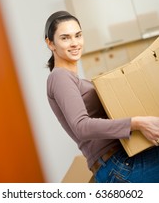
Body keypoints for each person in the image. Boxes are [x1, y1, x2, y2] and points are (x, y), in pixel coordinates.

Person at [44, 10, 159, 183]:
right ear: (50, 43)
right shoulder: (59, 77)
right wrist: (136, 123)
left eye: (78, 35)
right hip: (118, 166)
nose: (75, 43)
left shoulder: (75, 80)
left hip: (120, 161)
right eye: (65, 38)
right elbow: (81, 126)